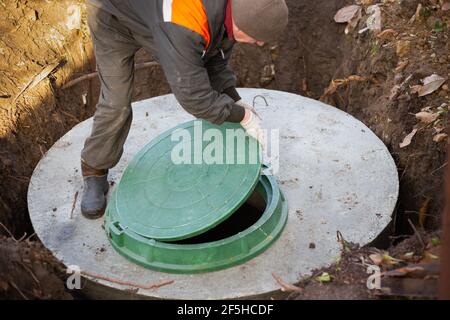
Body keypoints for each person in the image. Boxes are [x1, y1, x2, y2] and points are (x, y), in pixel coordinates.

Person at [81, 0, 289, 219]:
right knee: (116, 102)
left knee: (196, 65)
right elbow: (194, 97)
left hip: (153, 15)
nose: (257, 44)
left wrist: (234, 101)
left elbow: (214, 61)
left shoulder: (233, 11)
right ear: (240, 24)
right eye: (257, 39)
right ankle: (94, 168)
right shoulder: (185, 22)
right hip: (113, 15)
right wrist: (243, 116)